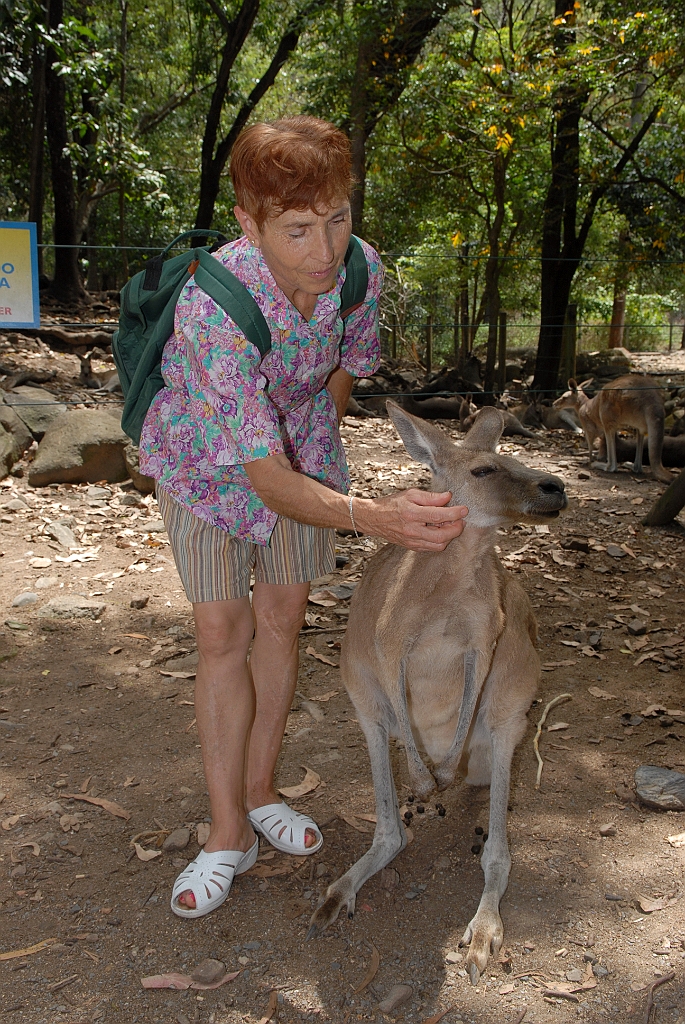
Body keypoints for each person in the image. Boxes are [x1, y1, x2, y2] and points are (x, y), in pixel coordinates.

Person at [139, 116, 468, 919]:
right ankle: (227, 836)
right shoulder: (213, 307)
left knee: (282, 622)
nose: (323, 250)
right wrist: (369, 516)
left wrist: (316, 449)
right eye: (296, 229)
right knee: (223, 633)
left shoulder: (357, 271)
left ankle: (259, 793)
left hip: (302, 452)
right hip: (206, 459)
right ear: (249, 223)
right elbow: (259, 472)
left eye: (338, 218)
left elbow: (345, 372)